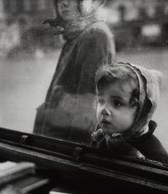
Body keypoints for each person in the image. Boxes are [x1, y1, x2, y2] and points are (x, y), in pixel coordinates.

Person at [33, 0, 115, 143]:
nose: (63, 4)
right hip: (55, 142)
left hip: (64, 150)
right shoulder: (75, 36)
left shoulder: (95, 35)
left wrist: (69, 157)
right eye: (58, 0)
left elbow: (88, 107)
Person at [91, 62, 168, 167]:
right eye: (101, 101)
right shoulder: (101, 133)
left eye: (117, 103)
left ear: (141, 110)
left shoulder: (153, 151)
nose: (104, 110)